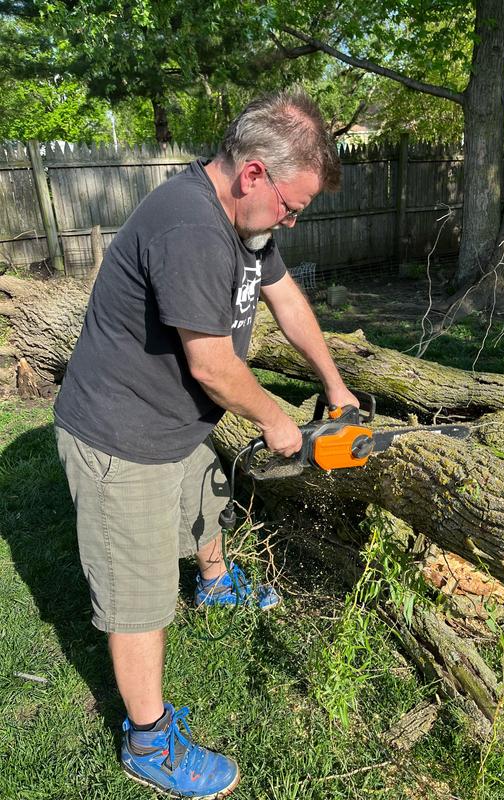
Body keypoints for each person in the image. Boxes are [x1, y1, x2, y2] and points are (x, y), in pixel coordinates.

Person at [54, 89, 358, 798]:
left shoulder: (248, 223)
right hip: (119, 432)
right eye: (291, 205)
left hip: (177, 420)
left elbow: (285, 299)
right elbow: (213, 366)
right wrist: (277, 419)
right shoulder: (190, 226)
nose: (291, 219)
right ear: (254, 173)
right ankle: (149, 740)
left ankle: (217, 584)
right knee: (138, 594)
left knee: (203, 504)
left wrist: (336, 386)